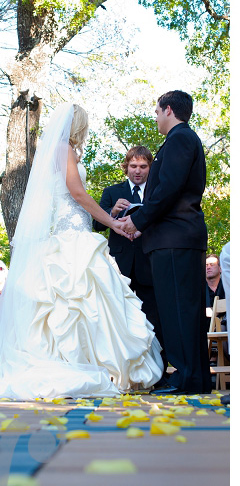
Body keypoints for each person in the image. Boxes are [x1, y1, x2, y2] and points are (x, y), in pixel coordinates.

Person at [0, 103, 162, 401]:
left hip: (77, 233)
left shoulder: (63, 151)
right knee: (73, 302)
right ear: (78, 125)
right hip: (71, 236)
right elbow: (77, 193)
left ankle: (95, 366)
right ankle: (83, 366)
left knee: (80, 303)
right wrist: (113, 223)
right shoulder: (62, 149)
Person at [120, 91, 210, 394]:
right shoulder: (183, 140)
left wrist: (139, 220)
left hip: (174, 238)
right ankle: (194, 378)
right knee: (185, 309)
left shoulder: (179, 139)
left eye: (157, 111)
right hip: (178, 237)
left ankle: (186, 377)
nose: (156, 117)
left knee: (178, 310)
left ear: (169, 110)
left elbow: (168, 189)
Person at [94, 146, 165, 365]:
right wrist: (113, 212)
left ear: (150, 168)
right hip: (119, 265)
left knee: (153, 318)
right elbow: (96, 224)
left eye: (143, 166)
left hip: (150, 263)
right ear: (126, 167)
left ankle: (157, 370)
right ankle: (120, 368)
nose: (138, 171)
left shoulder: (158, 192)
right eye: (133, 166)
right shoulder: (112, 192)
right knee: (119, 318)